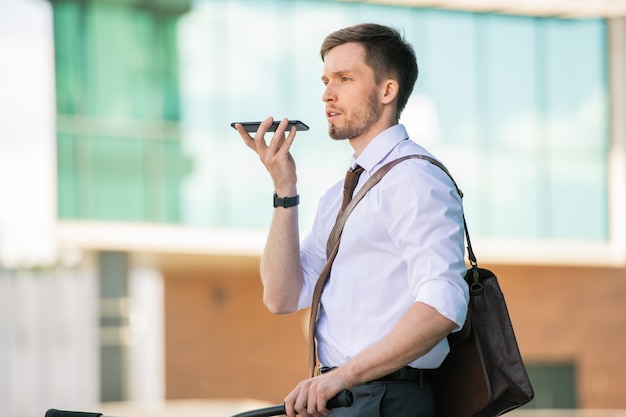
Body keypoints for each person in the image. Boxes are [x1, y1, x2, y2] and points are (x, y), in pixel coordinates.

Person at [235, 23, 469, 417]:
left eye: (345, 79)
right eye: (326, 80)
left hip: (386, 399)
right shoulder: (338, 196)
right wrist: (284, 190)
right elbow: (281, 296)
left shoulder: (412, 178)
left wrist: (343, 376)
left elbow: (443, 305)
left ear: (387, 91)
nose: (328, 93)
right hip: (342, 397)